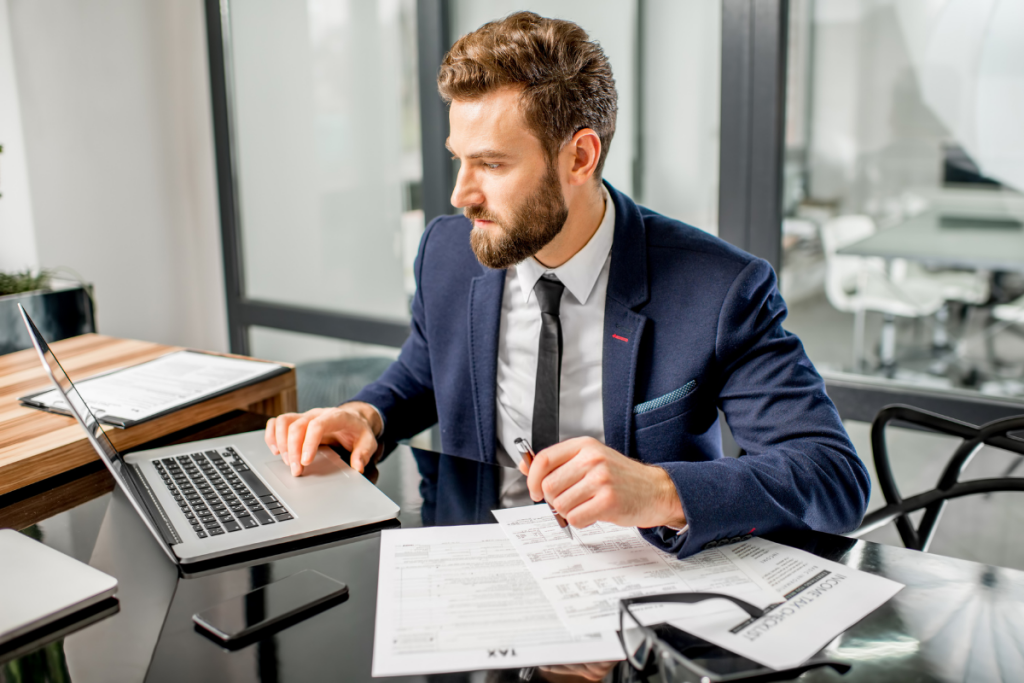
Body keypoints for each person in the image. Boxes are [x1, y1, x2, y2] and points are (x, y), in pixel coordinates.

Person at [265, 11, 869, 557]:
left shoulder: (719, 289)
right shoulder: (448, 252)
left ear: (580, 157)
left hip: (639, 585)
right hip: (475, 562)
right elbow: (423, 371)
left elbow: (833, 478)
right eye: (459, 159)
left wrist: (659, 489)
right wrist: (367, 413)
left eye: (493, 164)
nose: (460, 195)